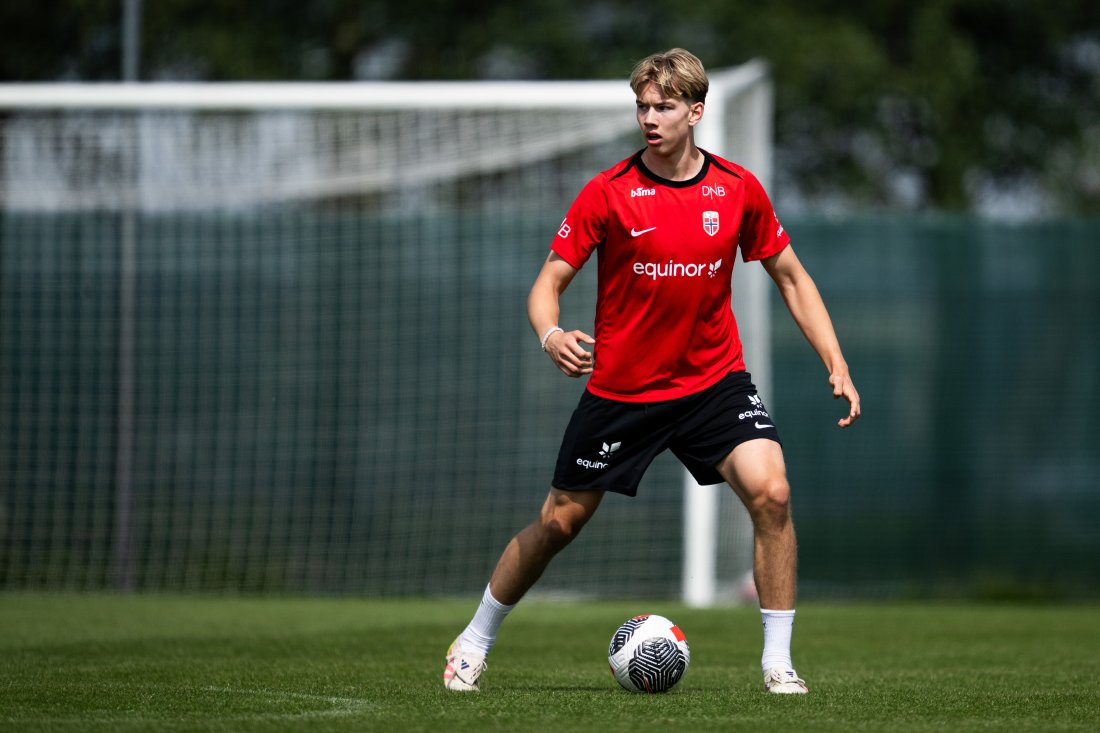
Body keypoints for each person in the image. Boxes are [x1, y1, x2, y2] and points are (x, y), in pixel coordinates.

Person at [443, 48, 860, 695]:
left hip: (713, 384)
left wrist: (836, 361)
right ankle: (473, 640)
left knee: (773, 493)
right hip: (624, 392)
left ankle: (778, 663)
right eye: (642, 106)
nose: (649, 118)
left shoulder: (738, 189)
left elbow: (791, 277)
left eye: (663, 106)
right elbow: (546, 285)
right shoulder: (608, 193)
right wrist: (551, 334)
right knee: (558, 524)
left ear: (696, 111)